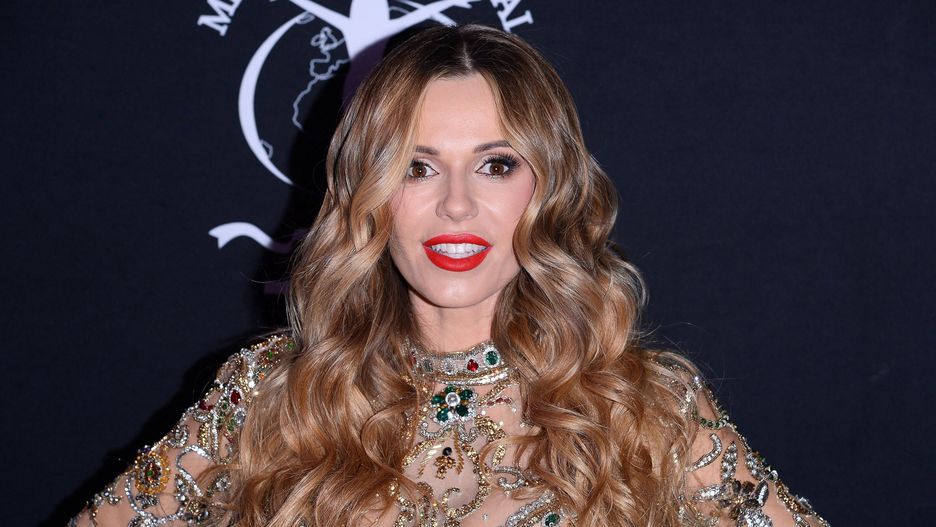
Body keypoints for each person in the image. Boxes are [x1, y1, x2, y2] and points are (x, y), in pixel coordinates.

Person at [71, 24, 827, 527]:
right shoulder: (272, 398)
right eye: (417, 167)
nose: (456, 205)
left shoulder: (648, 410)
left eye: (496, 165)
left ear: (548, 188)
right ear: (372, 193)